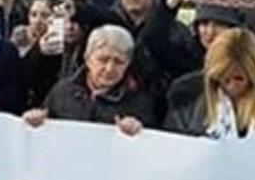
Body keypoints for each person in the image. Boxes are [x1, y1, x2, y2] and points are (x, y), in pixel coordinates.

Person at [23, 24, 156, 133]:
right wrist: (34, 120)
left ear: (128, 64)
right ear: (88, 58)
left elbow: (151, 143)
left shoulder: (139, 103)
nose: (109, 68)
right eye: (103, 60)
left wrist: (138, 130)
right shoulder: (62, 91)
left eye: (119, 62)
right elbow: (44, 123)